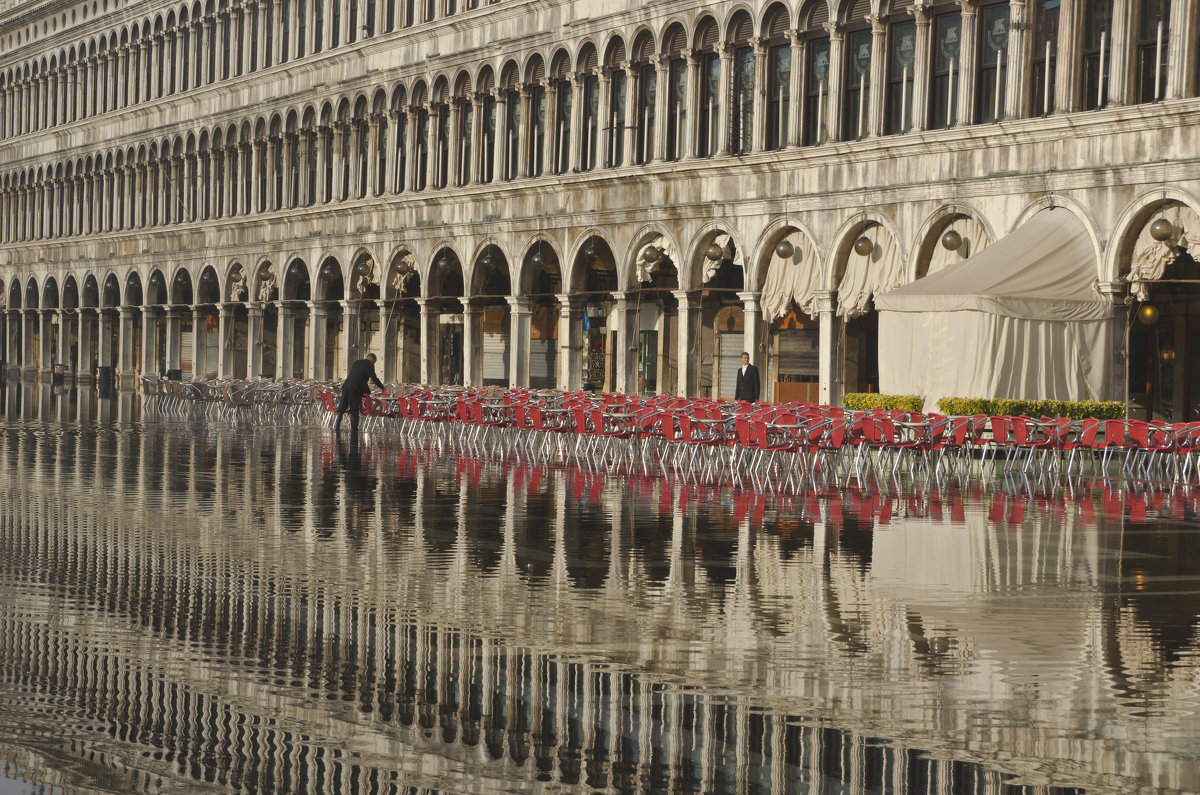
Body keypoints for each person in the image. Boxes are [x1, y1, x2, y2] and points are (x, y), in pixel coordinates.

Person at [335, 352, 385, 433]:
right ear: (372, 359)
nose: (374, 364)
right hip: (355, 389)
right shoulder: (369, 365)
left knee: (342, 407)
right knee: (354, 409)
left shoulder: (357, 362)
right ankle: (354, 430)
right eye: (374, 362)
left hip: (346, 386)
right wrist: (382, 387)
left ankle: (337, 426)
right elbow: (374, 378)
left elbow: (358, 377)